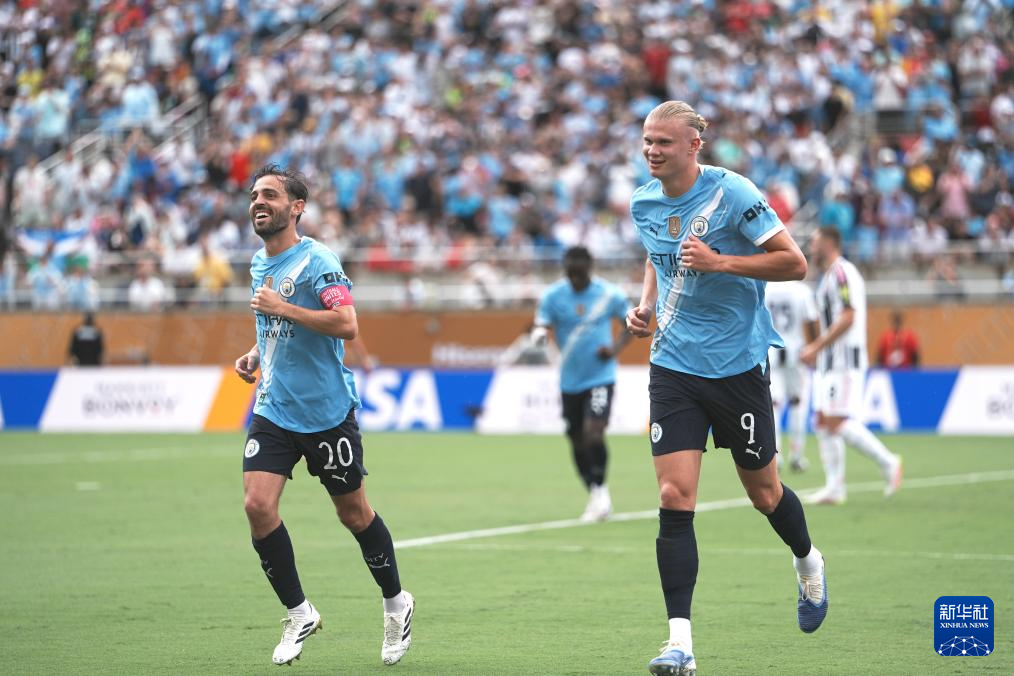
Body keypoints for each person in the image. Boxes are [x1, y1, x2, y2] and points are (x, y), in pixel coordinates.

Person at [625, 101, 827, 675]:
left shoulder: (733, 193)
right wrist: (645, 306)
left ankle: (808, 561)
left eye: (663, 142)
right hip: (673, 366)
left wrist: (721, 263)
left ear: (694, 146)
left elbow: (794, 263)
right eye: (647, 141)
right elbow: (657, 256)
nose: (652, 150)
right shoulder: (643, 202)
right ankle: (680, 644)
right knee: (674, 496)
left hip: (737, 367)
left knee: (764, 493)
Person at [234, 165, 413, 667]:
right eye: (254, 195)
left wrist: (283, 309)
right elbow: (273, 322)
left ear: (296, 208)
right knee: (257, 505)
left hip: (326, 414)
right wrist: (256, 352)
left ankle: (396, 602)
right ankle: (299, 613)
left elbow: (346, 323)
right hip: (274, 408)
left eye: (270, 195)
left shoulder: (319, 261)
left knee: (353, 514)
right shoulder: (259, 262)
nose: (258, 202)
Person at [800, 227, 903, 505]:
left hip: (844, 360)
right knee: (821, 419)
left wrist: (816, 346)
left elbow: (848, 316)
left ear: (829, 243)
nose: (811, 247)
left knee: (837, 421)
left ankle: (888, 461)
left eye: (815, 241)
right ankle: (835, 487)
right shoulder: (828, 276)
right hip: (830, 362)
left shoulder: (843, 273)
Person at [531, 246, 632, 522]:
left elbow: (630, 322)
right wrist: (540, 334)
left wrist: (614, 349)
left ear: (590, 268)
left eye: (579, 274)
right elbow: (541, 324)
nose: (575, 279)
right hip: (569, 380)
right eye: (570, 274)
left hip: (600, 376)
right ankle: (595, 492)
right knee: (575, 437)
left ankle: (600, 488)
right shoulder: (553, 296)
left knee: (594, 432)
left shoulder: (609, 294)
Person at [764, 280, 820, 472]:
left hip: (771, 351)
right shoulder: (802, 291)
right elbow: (813, 321)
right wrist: (816, 349)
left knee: (774, 405)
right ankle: (797, 455)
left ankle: (775, 455)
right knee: (798, 403)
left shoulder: (766, 287)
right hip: (796, 352)